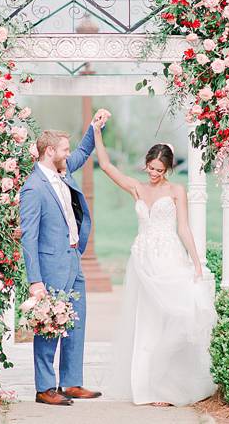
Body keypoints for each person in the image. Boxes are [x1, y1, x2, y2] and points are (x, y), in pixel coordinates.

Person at [92, 117, 217, 406]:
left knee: (175, 317)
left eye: (159, 170)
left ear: (169, 169)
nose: (153, 174)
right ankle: (146, 387)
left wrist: (196, 262)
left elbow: (184, 228)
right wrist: (97, 133)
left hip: (169, 259)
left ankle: (168, 387)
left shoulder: (176, 191)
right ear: (145, 164)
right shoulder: (137, 187)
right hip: (142, 261)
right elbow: (108, 167)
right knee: (146, 322)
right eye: (150, 168)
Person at [19, 109, 110, 406]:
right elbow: (28, 238)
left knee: (76, 321)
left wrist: (94, 127)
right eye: (64, 150)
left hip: (73, 259)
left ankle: (70, 383)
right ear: (49, 152)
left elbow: (84, 151)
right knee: (50, 324)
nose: (68, 155)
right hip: (50, 265)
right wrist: (35, 281)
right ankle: (45, 388)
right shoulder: (33, 188)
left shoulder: (62, 170)